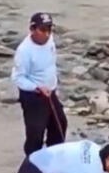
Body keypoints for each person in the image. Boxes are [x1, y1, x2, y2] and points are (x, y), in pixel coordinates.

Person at [11, 12, 67, 156]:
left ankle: (53, 158)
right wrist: (37, 87)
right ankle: (31, 162)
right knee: (36, 133)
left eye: (49, 29)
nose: (47, 34)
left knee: (60, 125)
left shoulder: (50, 40)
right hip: (33, 96)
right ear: (32, 29)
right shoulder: (24, 51)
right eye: (43, 30)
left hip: (50, 92)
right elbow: (18, 78)